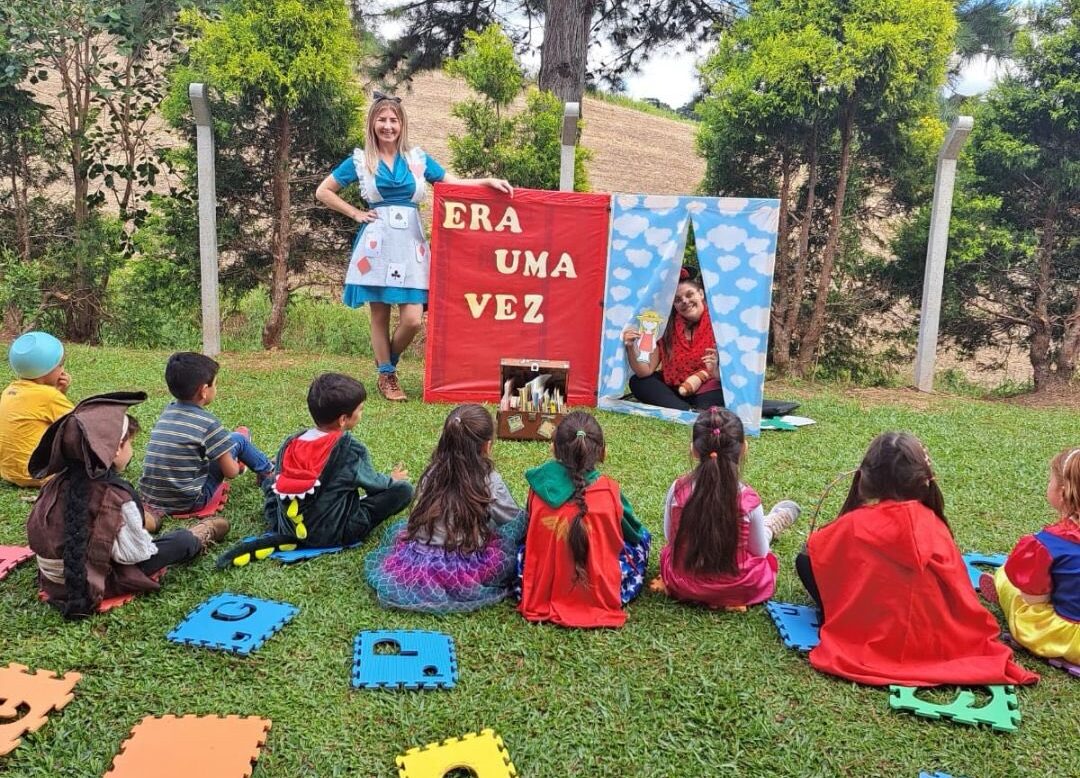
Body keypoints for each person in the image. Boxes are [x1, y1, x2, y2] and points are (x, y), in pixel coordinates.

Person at [315, 91, 513, 402]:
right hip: (377, 244)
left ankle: (386, 364)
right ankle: (387, 377)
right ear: (372, 124)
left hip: (410, 244)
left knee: (412, 319)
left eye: (393, 120)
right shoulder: (360, 160)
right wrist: (355, 213)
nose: (388, 126)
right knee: (379, 314)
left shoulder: (417, 160)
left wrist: (485, 181)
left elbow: (451, 183)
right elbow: (324, 191)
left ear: (402, 124)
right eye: (382, 119)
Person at [797, 431, 1038, 687]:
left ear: (867, 478)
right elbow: (960, 593)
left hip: (868, 639)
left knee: (807, 557)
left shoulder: (854, 524)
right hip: (937, 641)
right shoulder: (936, 526)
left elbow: (815, 553)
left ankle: (846, 616)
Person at [26, 392, 228, 619]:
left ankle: (147, 519)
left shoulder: (54, 484)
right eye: (130, 441)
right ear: (116, 449)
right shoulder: (114, 497)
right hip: (99, 581)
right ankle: (200, 533)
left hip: (54, 582)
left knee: (131, 526)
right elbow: (135, 555)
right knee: (180, 541)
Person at [216, 373, 413, 567]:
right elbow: (375, 486)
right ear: (343, 419)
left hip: (288, 528)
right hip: (333, 533)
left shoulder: (291, 441)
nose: (362, 414)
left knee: (272, 483)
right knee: (404, 490)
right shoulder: (350, 448)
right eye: (360, 409)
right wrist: (392, 480)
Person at [365, 404, 526, 612]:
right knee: (511, 531)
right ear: (487, 446)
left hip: (418, 558)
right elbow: (511, 517)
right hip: (463, 564)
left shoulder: (433, 471)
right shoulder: (488, 480)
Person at [656, 407, 800, 610]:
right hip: (736, 587)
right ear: (744, 449)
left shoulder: (678, 488)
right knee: (765, 560)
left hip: (683, 582)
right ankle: (770, 526)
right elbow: (760, 552)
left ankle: (770, 525)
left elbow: (671, 539)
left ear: (693, 450)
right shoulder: (748, 499)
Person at [518, 412, 650, 628]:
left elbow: (529, 529)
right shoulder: (610, 491)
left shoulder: (538, 486)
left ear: (554, 448)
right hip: (599, 589)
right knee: (644, 539)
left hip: (542, 587)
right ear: (602, 452)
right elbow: (634, 533)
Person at [139, 352, 274, 515]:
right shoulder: (209, 424)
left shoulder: (166, 413)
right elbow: (230, 473)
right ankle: (268, 471)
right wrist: (231, 462)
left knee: (226, 445)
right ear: (204, 390)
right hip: (190, 502)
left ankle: (241, 456)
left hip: (152, 498)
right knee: (238, 439)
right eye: (215, 384)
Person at [983, 447, 1080, 665]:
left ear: (1062, 493)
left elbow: (1034, 599)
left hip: (1068, 639)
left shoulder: (1046, 545)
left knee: (1008, 579)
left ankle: (1000, 590)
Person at [621, 269, 723, 411]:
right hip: (674, 387)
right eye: (677, 300)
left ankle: (691, 408)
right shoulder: (666, 327)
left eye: (689, 295)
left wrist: (714, 371)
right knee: (638, 382)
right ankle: (684, 410)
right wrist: (630, 346)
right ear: (673, 305)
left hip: (708, 386)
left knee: (714, 394)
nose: (685, 302)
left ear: (701, 294)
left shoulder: (719, 323)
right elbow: (645, 371)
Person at [0, 331, 74, 487]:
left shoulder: (10, 390)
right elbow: (78, 424)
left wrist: (58, 392)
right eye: (60, 365)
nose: (62, 370)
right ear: (47, 369)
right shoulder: (49, 396)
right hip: (39, 474)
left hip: (8, 472)